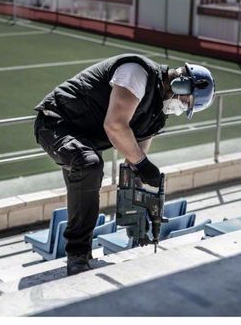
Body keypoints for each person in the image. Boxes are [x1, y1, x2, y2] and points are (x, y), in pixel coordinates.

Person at [33, 53, 215, 275]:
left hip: (86, 136)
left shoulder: (156, 114)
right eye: (186, 101)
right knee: (89, 164)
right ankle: (77, 254)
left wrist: (143, 209)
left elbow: (135, 158)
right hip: (58, 122)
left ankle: (83, 253)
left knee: (87, 176)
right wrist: (143, 164)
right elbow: (115, 125)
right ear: (180, 84)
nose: (181, 107)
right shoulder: (136, 73)